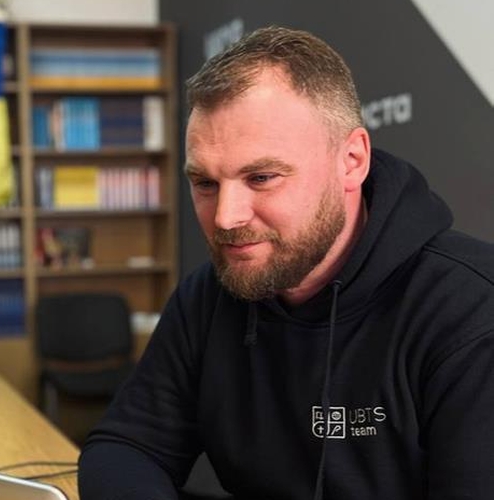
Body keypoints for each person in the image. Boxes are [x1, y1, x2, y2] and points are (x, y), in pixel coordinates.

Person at [78, 25, 494, 500]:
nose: (226, 218)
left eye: (261, 177)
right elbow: (127, 445)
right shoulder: (208, 297)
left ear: (352, 161)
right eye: (206, 184)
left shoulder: (472, 314)